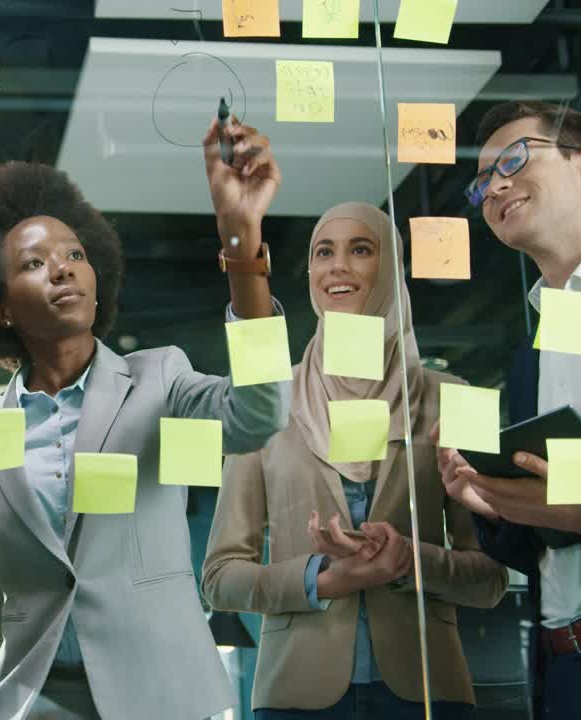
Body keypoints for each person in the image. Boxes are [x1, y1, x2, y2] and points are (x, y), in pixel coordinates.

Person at [0, 116, 290, 719]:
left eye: (74, 254)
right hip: (37, 701)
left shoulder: (159, 379)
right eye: (33, 264)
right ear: (0, 308)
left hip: (159, 694)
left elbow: (258, 415)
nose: (62, 268)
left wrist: (242, 245)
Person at [202, 201, 509, 719]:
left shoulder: (457, 399)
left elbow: (491, 580)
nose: (338, 266)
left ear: (389, 269)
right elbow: (220, 576)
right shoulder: (267, 403)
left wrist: (408, 559)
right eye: (324, 252)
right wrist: (324, 578)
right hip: (297, 694)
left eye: (361, 249)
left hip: (429, 691)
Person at [435, 101, 581, 719]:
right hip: (562, 668)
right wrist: (484, 499)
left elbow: (575, 512)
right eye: (482, 181)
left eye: (514, 160)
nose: (496, 187)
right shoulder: (532, 351)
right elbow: (538, 546)